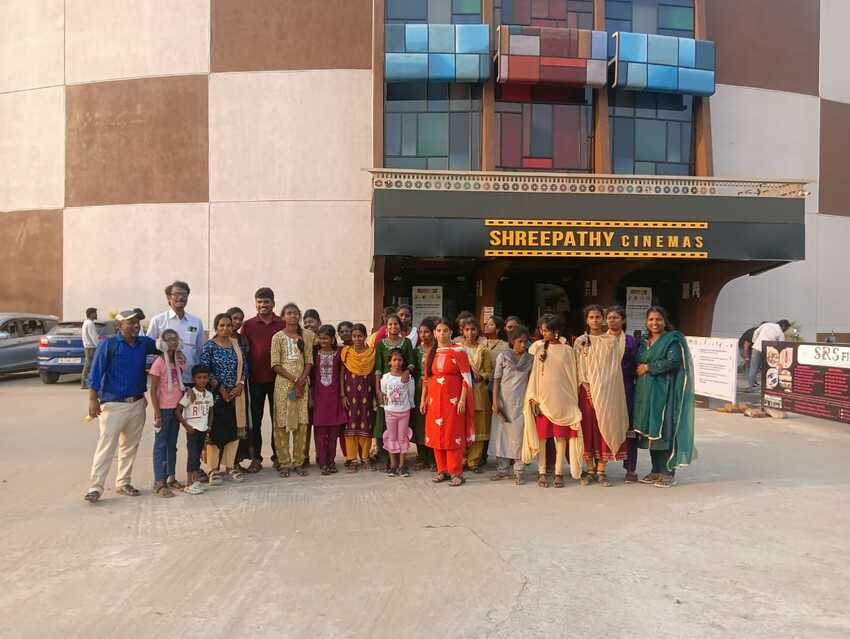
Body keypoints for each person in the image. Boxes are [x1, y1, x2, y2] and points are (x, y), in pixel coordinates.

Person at [84, 309, 160, 503]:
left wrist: (173, 343)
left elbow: (164, 346)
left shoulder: (144, 344)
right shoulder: (108, 345)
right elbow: (96, 373)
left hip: (137, 403)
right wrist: (93, 400)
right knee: (106, 447)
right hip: (113, 405)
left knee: (129, 447)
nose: (136, 326)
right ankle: (95, 487)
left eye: (138, 323)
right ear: (119, 326)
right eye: (131, 322)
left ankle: (123, 482)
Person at [633, 306, 697, 487]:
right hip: (646, 394)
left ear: (664, 321)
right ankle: (655, 471)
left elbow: (674, 361)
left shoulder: (672, 341)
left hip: (665, 393)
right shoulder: (645, 340)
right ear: (646, 322)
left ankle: (667, 472)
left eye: (658, 319)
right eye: (651, 319)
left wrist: (649, 367)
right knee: (651, 432)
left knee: (664, 430)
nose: (654, 323)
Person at [522, 314, 583, 488]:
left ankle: (558, 473)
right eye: (541, 329)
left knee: (561, 438)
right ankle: (541, 472)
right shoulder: (537, 348)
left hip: (563, 401)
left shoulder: (567, 350)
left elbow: (572, 377)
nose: (543, 332)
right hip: (543, 400)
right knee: (542, 438)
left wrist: (573, 401)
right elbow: (534, 376)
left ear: (556, 332)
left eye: (546, 329)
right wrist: (533, 397)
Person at [573, 305, 630, 487]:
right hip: (586, 390)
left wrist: (604, 387)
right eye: (591, 317)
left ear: (603, 319)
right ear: (586, 320)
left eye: (598, 317)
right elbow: (577, 366)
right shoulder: (580, 341)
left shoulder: (610, 341)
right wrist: (587, 385)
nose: (595, 320)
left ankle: (601, 470)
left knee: (605, 426)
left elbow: (613, 370)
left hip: (608, 392)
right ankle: (589, 469)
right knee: (588, 428)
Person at [420, 318, 475, 487]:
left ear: (451, 332)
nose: (442, 334)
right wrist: (423, 399)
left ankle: (456, 472)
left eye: (445, 330)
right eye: (438, 331)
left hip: (453, 401)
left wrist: (462, 399)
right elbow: (426, 379)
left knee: (453, 435)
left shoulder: (459, 351)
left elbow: (466, 377)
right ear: (435, 333)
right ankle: (441, 470)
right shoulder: (431, 353)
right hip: (434, 400)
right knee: (437, 434)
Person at [200, 313, 248, 485]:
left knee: (233, 431)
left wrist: (240, 384)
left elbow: (245, 367)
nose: (226, 328)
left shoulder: (236, 345)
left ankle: (230, 466)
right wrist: (220, 388)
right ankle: (213, 470)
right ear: (216, 327)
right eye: (222, 325)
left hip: (235, 395)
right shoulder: (209, 346)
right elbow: (205, 369)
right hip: (216, 396)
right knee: (214, 432)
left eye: (228, 325)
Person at [240, 287, 285, 473]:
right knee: (255, 422)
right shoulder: (248, 325)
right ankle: (256, 458)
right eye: (259, 302)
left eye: (266, 301)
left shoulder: (282, 323)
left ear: (273, 303)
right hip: (255, 381)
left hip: (278, 380)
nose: (262, 305)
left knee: (278, 421)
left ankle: (278, 457)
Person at [271, 303, 314, 477]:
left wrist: (302, 379)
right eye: (289, 313)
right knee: (281, 424)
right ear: (283, 316)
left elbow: (309, 360)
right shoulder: (277, 337)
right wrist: (295, 379)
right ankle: (284, 463)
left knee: (301, 423)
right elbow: (275, 364)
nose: (293, 316)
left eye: (296, 313)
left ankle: (298, 462)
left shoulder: (307, 336)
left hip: (302, 385)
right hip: (283, 385)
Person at [488, 324, 533, 484]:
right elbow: (496, 380)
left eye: (525, 342)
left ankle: (519, 471)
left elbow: (530, 382)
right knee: (501, 436)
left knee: (519, 437)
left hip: (521, 404)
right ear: (513, 341)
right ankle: (502, 470)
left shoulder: (530, 359)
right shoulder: (503, 356)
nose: (523, 345)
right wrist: (495, 401)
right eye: (520, 341)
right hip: (503, 402)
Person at [374, 314, 415, 469]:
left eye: (396, 324)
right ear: (386, 326)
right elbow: (377, 367)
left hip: (402, 385)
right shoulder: (380, 344)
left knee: (402, 427)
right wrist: (378, 390)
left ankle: (402, 461)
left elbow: (411, 362)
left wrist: (407, 372)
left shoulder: (407, 342)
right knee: (384, 423)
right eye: (390, 324)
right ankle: (388, 459)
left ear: (400, 326)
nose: (393, 327)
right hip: (386, 386)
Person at [149, 328, 185, 497]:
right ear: (162, 343)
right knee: (161, 445)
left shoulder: (178, 361)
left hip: (176, 409)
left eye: (175, 338)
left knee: (172, 444)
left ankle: (171, 477)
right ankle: (159, 481)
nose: (173, 342)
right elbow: (153, 391)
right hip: (163, 409)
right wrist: (157, 413)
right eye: (169, 339)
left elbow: (180, 382)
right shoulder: (159, 363)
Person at [146, 281, 205, 385]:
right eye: (177, 294)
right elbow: (149, 350)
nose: (181, 297)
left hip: (189, 377)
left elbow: (200, 350)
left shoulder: (196, 321)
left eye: (184, 294)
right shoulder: (158, 320)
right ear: (169, 297)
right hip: (166, 380)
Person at [607, 305, 640, 483]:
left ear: (623, 320)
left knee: (629, 429)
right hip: (605, 391)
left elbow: (638, 366)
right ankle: (598, 467)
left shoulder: (631, 342)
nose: (612, 320)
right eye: (609, 317)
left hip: (627, 389)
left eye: (616, 317)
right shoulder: (600, 341)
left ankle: (630, 468)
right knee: (603, 426)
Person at [310, 325, 348, 475]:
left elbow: (340, 375)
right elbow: (311, 377)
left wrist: (343, 394)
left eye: (326, 338)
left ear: (332, 339)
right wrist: (310, 397)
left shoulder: (338, 354)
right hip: (319, 397)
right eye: (320, 338)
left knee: (333, 432)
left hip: (334, 397)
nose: (322, 341)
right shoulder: (314, 354)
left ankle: (331, 461)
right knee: (320, 432)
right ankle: (322, 461)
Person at [340, 323, 376, 472]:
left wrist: (375, 395)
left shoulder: (372, 353)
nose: (357, 339)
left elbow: (375, 375)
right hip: (350, 394)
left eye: (360, 336)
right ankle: (352, 459)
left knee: (366, 424)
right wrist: (342, 395)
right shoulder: (346, 352)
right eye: (354, 336)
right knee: (351, 425)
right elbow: (342, 375)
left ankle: (365, 457)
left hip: (367, 395)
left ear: (365, 336)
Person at [460, 318, 492, 473]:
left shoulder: (483, 350)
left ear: (478, 331)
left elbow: (488, 371)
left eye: (473, 329)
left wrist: (482, 376)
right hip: (461, 392)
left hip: (479, 391)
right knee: (461, 425)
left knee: (479, 426)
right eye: (467, 330)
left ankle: (473, 461)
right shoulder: (458, 349)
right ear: (462, 331)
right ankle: (461, 459)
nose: (470, 333)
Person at [176, 364, 214, 494]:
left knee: (197, 455)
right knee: (192, 456)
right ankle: (188, 483)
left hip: (203, 429)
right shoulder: (191, 394)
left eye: (205, 377)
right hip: (192, 430)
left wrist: (209, 426)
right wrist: (186, 426)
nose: (202, 380)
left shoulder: (208, 395)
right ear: (194, 379)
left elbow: (211, 411)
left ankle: (196, 481)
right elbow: (178, 411)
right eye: (199, 378)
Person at [381, 348, 416, 477]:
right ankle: (393, 465)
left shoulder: (408, 378)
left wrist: (410, 406)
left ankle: (402, 465)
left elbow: (410, 394)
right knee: (391, 437)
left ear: (403, 362)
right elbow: (384, 393)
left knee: (402, 438)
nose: (397, 363)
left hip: (404, 412)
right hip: (390, 412)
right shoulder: (385, 378)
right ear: (390, 362)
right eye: (394, 360)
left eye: (399, 360)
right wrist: (385, 407)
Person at [412, 317, 437, 470]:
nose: (423, 335)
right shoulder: (416, 351)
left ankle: (434, 458)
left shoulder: (438, 349)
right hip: (419, 388)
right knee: (420, 422)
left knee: (433, 421)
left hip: (435, 387)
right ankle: (422, 457)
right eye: (421, 332)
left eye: (426, 332)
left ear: (433, 333)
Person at [747, 319, 791, 390]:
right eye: (786, 328)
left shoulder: (766, 324)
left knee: (753, 368)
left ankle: (750, 387)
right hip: (768, 351)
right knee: (766, 369)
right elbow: (781, 346)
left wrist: (755, 342)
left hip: (756, 348)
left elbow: (756, 332)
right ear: (783, 326)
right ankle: (766, 387)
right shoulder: (780, 333)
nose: (786, 330)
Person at [81, 307, 99, 389]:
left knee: (88, 365)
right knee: (90, 366)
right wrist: (99, 346)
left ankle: (85, 383)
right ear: (91, 314)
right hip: (91, 348)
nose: (96, 314)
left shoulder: (86, 323)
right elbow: (94, 337)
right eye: (95, 313)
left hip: (88, 347)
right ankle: (86, 383)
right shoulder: (90, 324)